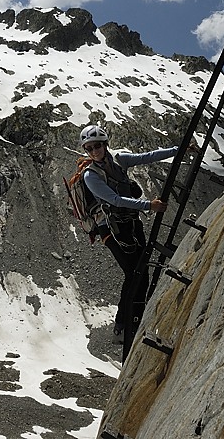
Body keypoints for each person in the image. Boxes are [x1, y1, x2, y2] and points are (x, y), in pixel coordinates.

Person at [77, 124, 178, 340]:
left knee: (142, 270)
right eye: (89, 148)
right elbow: (114, 200)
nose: (94, 151)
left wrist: (177, 151)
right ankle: (122, 325)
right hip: (110, 229)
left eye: (97, 146)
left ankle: (137, 316)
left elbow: (146, 157)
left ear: (105, 145)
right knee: (133, 272)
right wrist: (148, 206)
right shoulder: (90, 176)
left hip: (129, 223)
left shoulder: (119, 159)